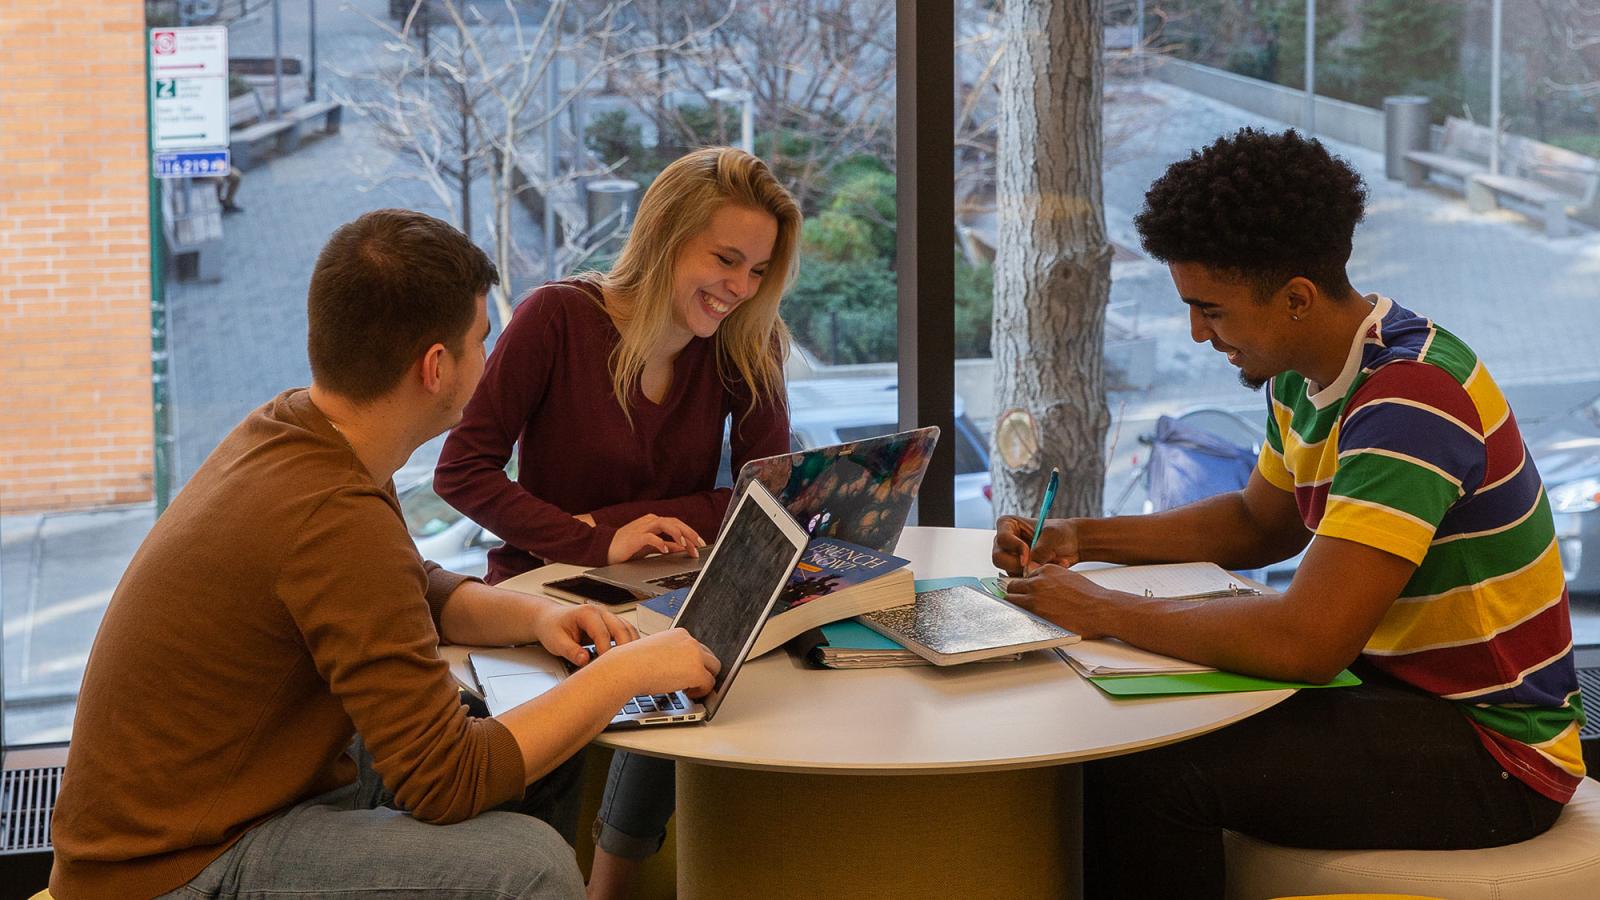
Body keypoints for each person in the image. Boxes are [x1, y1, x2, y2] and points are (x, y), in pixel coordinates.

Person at [49, 209, 721, 900]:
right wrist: (624, 674)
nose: (488, 360)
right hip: (172, 871)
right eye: (481, 340)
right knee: (529, 864)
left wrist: (534, 619)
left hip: (212, 806)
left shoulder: (302, 432)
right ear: (436, 367)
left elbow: (409, 587)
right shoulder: (333, 516)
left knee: (528, 738)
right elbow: (445, 781)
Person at [993, 129, 1586, 899]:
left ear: (1298, 298)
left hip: (1493, 750)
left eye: (1212, 310)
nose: (1199, 334)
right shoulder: (1306, 376)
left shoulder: (1410, 399)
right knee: (1128, 728)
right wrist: (1080, 536)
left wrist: (1102, 610)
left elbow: (1308, 642)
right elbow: (1256, 523)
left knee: (1151, 772)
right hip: (1393, 691)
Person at [433, 146, 801, 899]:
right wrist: (595, 541)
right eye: (726, 259)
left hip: (666, 592)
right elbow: (461, 472)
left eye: (758, 270)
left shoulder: (746, 341)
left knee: (713, 674)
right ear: (666, 236)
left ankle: (609, 888)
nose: (740, 287)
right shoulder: (556, 320)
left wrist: (621, 522)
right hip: (545, 594)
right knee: (603, 705)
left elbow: (771, 502)